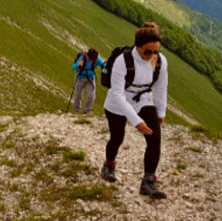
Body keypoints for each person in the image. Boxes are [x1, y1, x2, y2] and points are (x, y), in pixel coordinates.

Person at [101, 22, 169, 199]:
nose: (151, 56)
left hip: (143, 100)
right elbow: (117, 94)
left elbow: (161, 87)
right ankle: (109, 165)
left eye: (155, 51)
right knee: (117, 138)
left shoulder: (160, 61)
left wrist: (161, 112)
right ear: (137, 46)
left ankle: (148, 181)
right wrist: (136, 121)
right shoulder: (122, 61)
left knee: (155, 139)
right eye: (147, 51)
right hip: (118, 102)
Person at [71, 48, 106, 114]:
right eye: (91, 59)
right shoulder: (82, 58)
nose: (92, 61)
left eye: (94, 60)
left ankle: (87, 111)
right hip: (80, 78)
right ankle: (76, 111)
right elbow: (73, 67)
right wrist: (78, 64)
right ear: (88, 56)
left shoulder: (96, 59)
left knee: (91, 96)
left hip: (90, 79)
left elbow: (103, 65)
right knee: (78, 96)